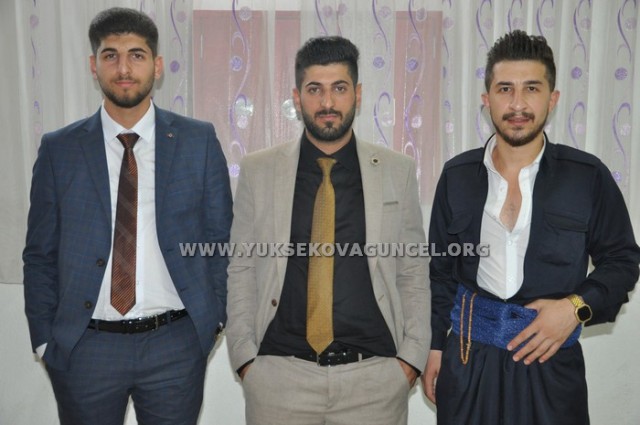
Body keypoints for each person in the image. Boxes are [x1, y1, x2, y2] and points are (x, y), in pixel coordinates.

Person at [22, 7, 233, 425]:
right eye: (110, 55)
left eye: (136, 55)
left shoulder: (198, 140)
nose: (123, 68)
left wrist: (213, 322)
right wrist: (46, 340)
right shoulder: (60, 149)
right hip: (86, 348)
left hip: (175, 344)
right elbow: (40, 254)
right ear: (93, 65)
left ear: (157, 66)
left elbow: (220, 242)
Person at [422, 30, 640, 425]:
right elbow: (440, 273)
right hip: (469, 361)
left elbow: (623, 261)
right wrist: (435, 347)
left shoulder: (587, 176)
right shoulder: (456, 176)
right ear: (487, 99)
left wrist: (575, 308)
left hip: (551, 363)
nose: (518, 104)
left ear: (552, 99)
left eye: (532, 89)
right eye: (505, 89)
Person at [225, 35, 430, 425]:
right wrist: (244, 357)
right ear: (297, 96)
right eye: (314, 90)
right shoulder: (258, 170)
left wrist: (412, 358)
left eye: (339, 88)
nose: (327, 103)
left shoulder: (397, 170)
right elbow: (242, 267)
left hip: (374, 381)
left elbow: (412, 270)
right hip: (279, 379)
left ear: (358, 94)